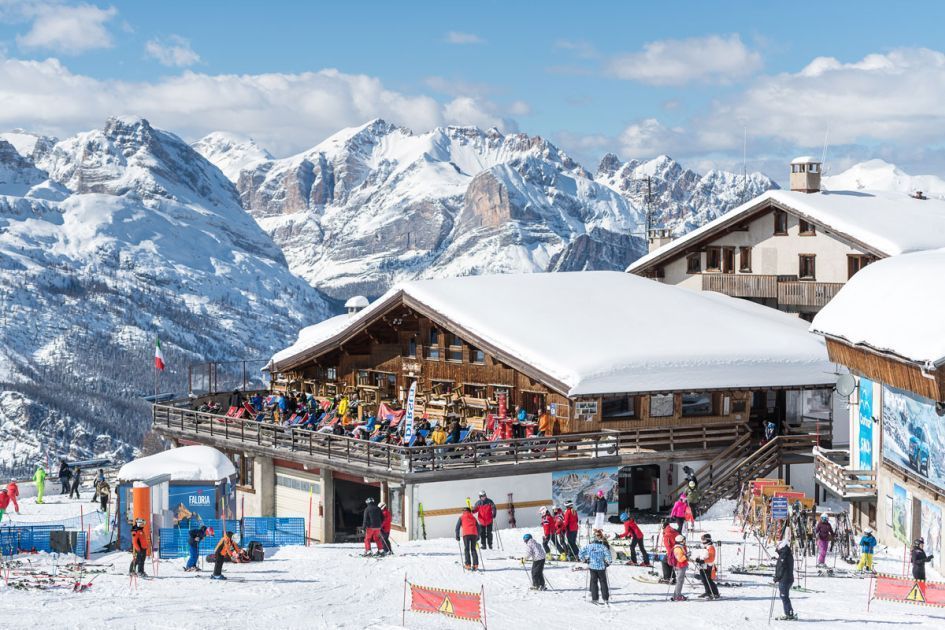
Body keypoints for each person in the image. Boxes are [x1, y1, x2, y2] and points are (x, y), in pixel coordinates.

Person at [579, 529, 612, 605]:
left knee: (594, 582)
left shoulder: (588, 546)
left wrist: (584, 560)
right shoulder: (603, 547)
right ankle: (605, 598)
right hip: (601, 567)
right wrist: (608, 563)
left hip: (592, 567)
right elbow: (608, 555)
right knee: (603, 582)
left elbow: (580, 553)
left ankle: (595, 599)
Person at [774, 540, 797, 620]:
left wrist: (777, 577)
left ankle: (789, 613)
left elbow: (781, 568)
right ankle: (789, 612)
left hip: (785, 579)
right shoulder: (788, 554)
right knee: (784, 596)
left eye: (778, 547)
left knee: (784, 596)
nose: (777, 549)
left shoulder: (784, 555)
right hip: (788, 578)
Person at [695, 533, 720, 599]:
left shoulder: (711, 547)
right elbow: (703, 555)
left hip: (708, 566)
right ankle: (708, 591)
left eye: (703, 539)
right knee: (704, 580)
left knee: (708, 580)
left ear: (708, 540)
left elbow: (711, 558)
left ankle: (715, 593)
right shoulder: (705, 546)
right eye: (701, 539)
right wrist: (698, 558)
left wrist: (703, 561)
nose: (702, 541)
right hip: (703, 566)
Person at [671, 534, 690, 601]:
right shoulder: (677, 548)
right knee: (680, 581)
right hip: (680, 566)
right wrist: (686, 556)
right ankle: (677, 595)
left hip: (682, 565)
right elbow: (680, 559)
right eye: (684, 540)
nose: (685, 541)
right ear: (681, 541)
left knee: (680, 580)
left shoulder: (680, 546)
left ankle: (676, 595)